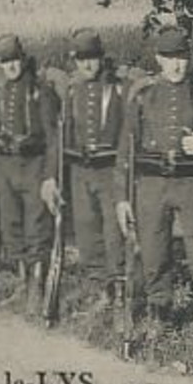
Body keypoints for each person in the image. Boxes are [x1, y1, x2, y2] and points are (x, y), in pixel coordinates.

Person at [116, 27, 193, 332]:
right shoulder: (144, 96)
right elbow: (125, 151)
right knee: (154, 253)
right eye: (169, 57)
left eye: (181, 57)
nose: (176, 65)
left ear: (189, 57)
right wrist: (122, 197)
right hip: (152, 185)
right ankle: (161, 314)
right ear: (158, 58)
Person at [51, 29, 128, 309]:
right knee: (86, 228)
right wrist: (56, 173)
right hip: (80, 170)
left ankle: (119, 287)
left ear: (101, 58)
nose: (87, 65)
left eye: (92, 58)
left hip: (110, 169)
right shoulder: (72, 91)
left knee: (113, 231)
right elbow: (63, 133)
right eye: (81, 60)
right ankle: (98, 287)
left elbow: (128, 130)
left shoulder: (118, 88)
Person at [0, 35, 60, 307]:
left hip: (34, 164)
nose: (11, 66)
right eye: (6, 61)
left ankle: (37, 285)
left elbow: (53, 137)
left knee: (36, 224)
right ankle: (22, 281)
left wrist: (50, 175)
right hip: (6, 166)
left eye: (15, 60)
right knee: (11, 224)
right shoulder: (0, 92)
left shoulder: (40, 91)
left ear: (23, 60)